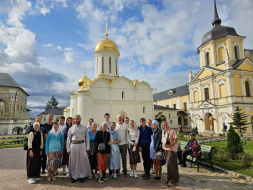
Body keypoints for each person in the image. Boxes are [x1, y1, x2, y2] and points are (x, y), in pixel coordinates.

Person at [67, 115, 91, 183]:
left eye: (78, 119)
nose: (77, 120)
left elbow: (87, 138)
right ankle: (74, 176)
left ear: (80, 119)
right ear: (74, 119)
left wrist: (87, 147)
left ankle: (82, 176)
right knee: (73, 161)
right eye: (76, 119)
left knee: (82, 160)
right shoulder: (71, 129)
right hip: (73, 146)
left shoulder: (84, 128)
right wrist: (68, 149)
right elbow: (68, 139)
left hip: (82, 145)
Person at [162, 121, 179, 187]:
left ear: (168, 125)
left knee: (171, 165)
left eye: (166, 125)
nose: (165, 126)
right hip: (166, 150)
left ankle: (172, 181)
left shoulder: (172, 131)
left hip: (172, 150)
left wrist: (170, 145)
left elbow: (176, 140)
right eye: (163, 125)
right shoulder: (163, 131)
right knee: (168, 165)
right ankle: (169, 179)